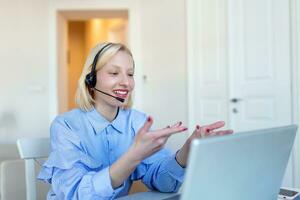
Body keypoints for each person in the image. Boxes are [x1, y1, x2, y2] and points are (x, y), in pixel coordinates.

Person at [38, 42, 233, 199]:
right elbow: (76, 195)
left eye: (130, 74)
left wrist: (187, 151)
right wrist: (133, 156)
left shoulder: (137, 121)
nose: (126, 82)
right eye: (114, 73)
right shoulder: (65, 126)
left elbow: (165, 184)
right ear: (91, 79)